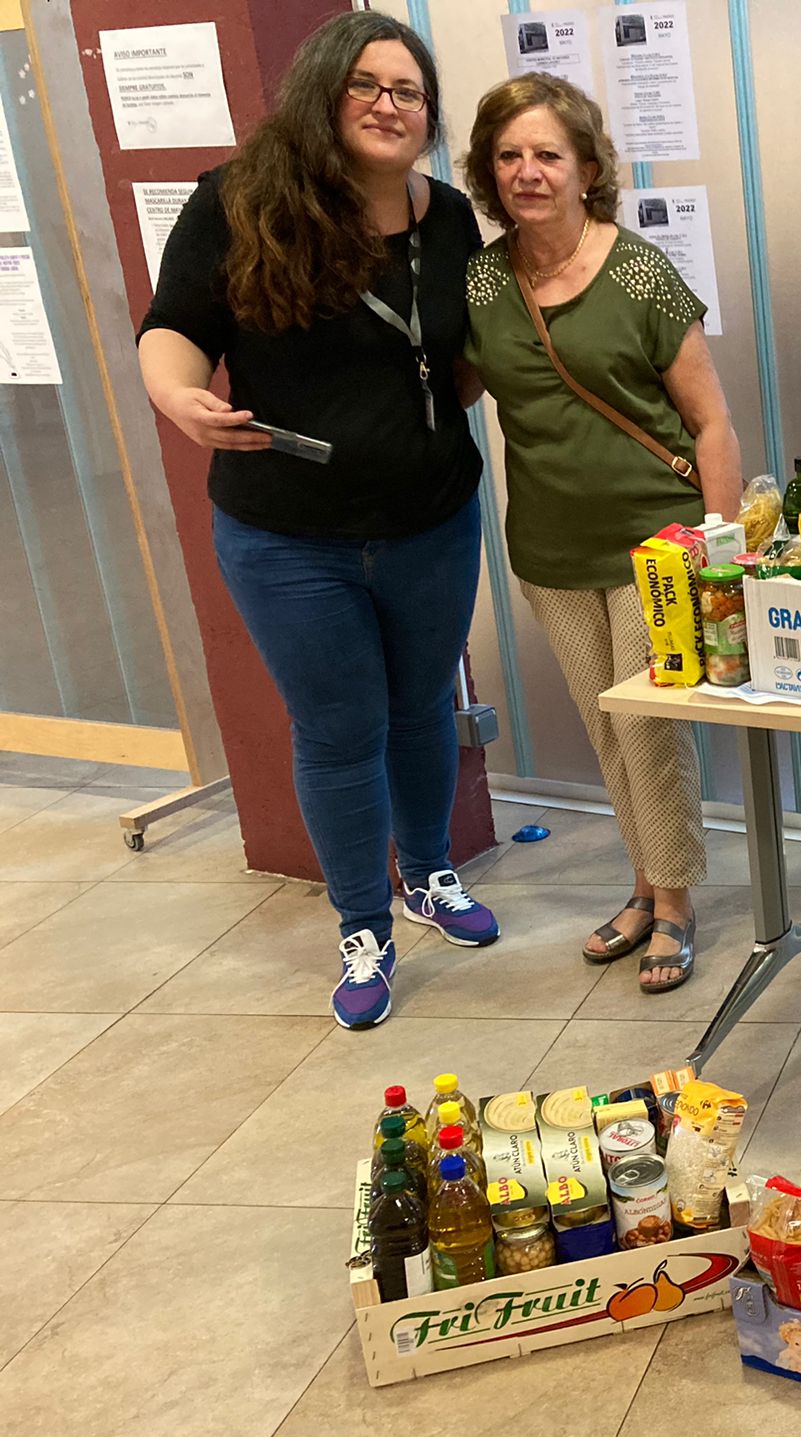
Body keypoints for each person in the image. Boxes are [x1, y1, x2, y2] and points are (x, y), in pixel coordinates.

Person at [139, 12, 499, 1031]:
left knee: (425, 703)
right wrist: (180, 399)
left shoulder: (449, 218)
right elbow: (171, 328)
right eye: (368, 85)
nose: (391, 105)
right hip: (287, 535)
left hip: (431, 515)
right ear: (322, 93)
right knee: (340, 732)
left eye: (410, 91)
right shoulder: (238, 204)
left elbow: (462, 367)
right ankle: (362, 927)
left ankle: (427, 876)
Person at [463, 73, 740, 995]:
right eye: (510, 155)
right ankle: (645, 883)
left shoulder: (638, 272)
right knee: (605, 729)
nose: (528, 172)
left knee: (650, 729)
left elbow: (711, 425)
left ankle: (675, 905)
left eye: (548, 154)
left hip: (652, 543)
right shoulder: (481, 282)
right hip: (548, 548)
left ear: (587, 169)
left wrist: (722, 552)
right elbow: (459, 387)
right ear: (488, 170)